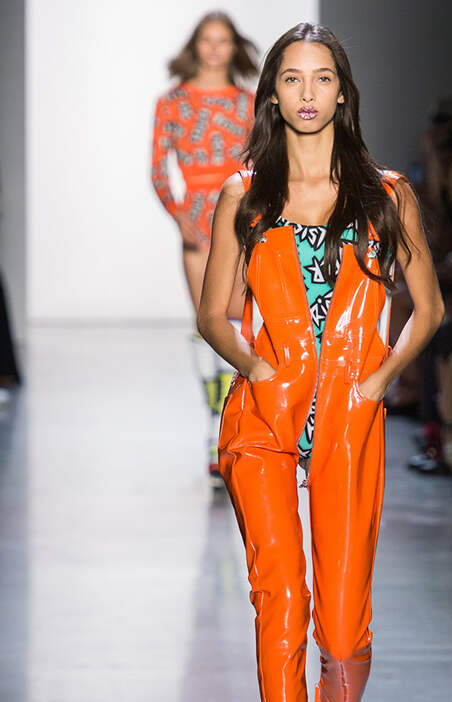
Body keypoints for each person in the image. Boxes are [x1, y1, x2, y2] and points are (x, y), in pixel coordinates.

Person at [197, 23, 444, 702]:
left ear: (343, 92)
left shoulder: (386, 195)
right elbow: (214, 312)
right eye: (293, 79)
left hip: (349, 419)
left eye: (323, 78)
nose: (308, 93)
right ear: (273, 93)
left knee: (342, 631)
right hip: (264, 420)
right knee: (282, 610)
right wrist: (256, 365)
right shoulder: (244, 195)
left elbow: (428, 308)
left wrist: (379, 380)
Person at [152, 11, 258, 478]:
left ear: (234, 47)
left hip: (240, 215)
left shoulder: (248, 103)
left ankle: (231, 422)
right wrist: (179, 217)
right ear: (195, 45)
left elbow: (261, 162)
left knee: (236, 317)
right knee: (206, 320)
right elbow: (158, 170)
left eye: (223, 40)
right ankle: (215, 425)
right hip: (196, 217)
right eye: (207, 39)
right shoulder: (172, 103)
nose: (214, 48)